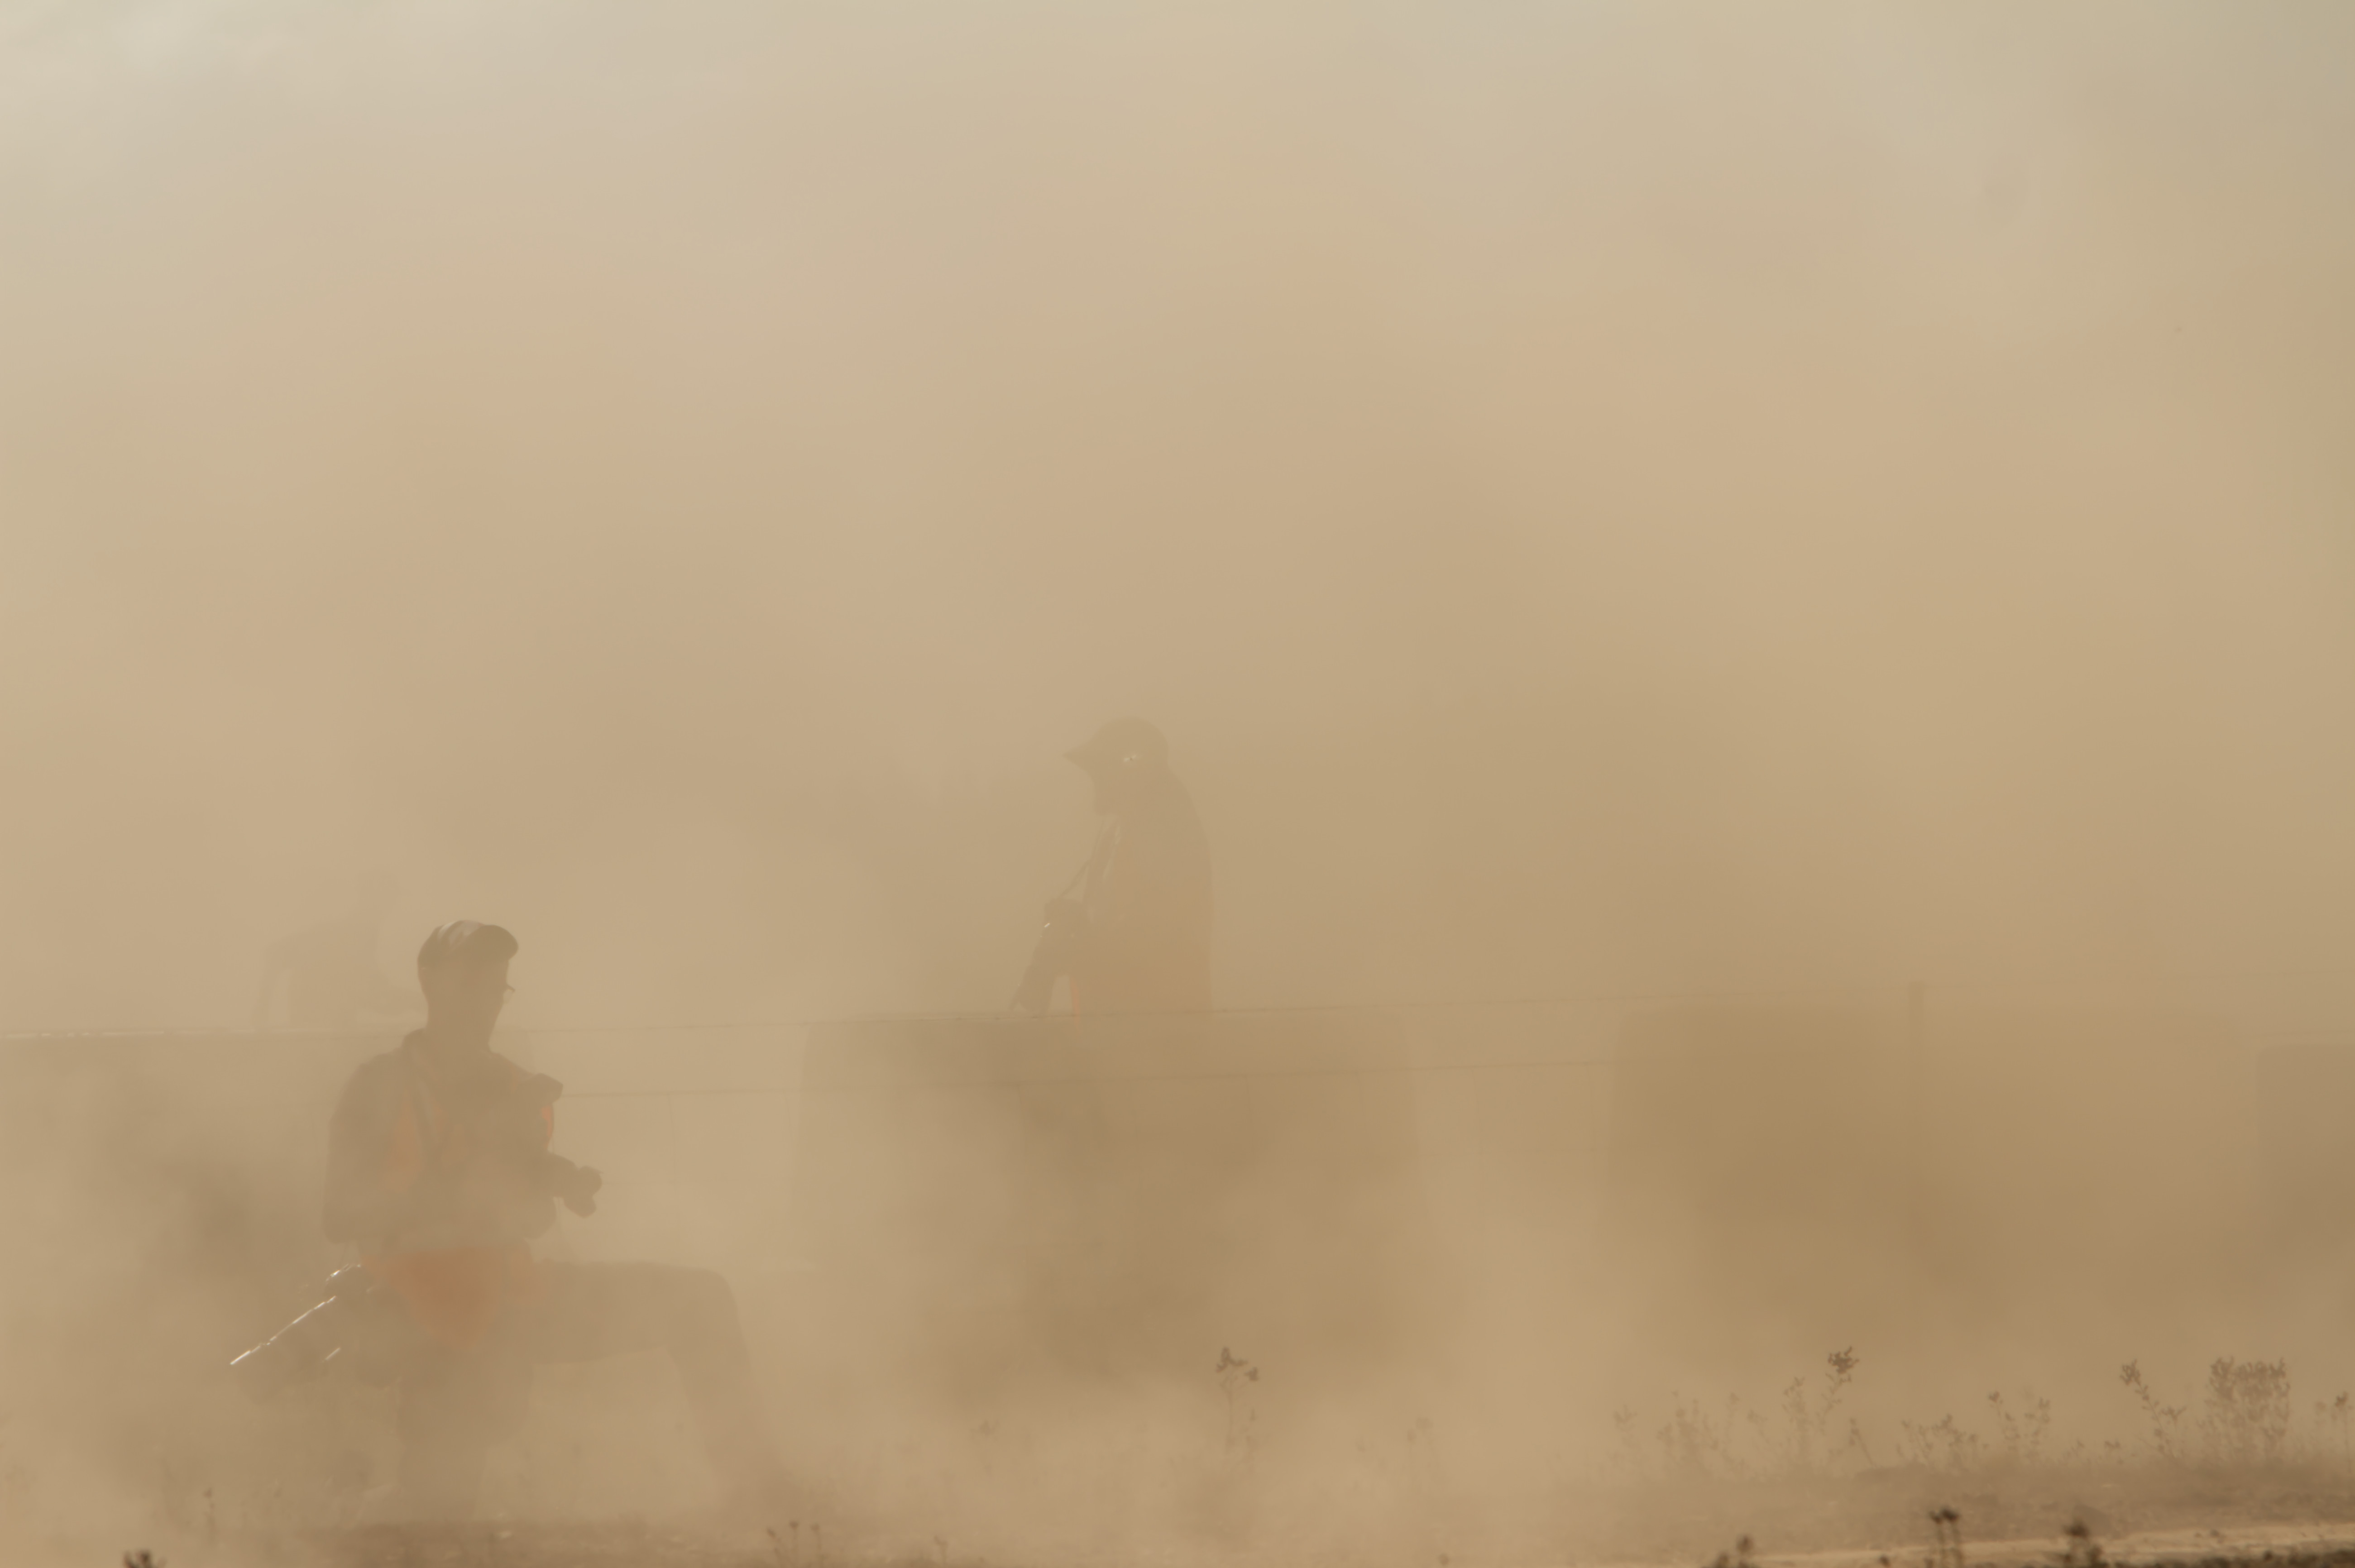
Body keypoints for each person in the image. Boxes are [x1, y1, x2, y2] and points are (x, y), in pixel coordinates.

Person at [322, 920, 783, 1518]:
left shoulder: (512, 1083)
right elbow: (339, 1214)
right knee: (435, 1509)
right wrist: (453, 1192)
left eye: (497, 990)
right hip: (430, 1317)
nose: (485, 1004)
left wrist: (554, 1185)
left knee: (701, 1299)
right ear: (429, 984)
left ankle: (764, 1497)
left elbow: (527, 1210)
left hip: (519, 1295)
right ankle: (349, 1514)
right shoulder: (378, 1086)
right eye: (471, 986)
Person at [1011, 718, 1213, 1015]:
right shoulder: (1123, 826)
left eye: (1102, 769)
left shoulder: (1168, 831)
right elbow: (1122, 921)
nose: (1097, 779)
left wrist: (1076, 947)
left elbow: (1157, 938)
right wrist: (1076, 924)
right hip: (1117, 1028)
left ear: (1132, 771)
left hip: (1158, 1032)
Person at [253, 873, 416, 1031]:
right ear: (369, 900)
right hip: (314, 1038)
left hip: (331, 1038)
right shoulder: (333, 936)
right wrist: (262, 1011)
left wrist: (415, 1002)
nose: (386, 911)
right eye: (385, 902)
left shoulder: (361, 943)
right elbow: (275, 954)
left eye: (390, 904)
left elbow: (375, 993)